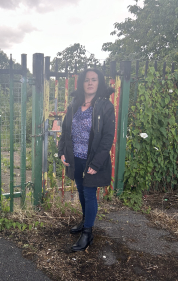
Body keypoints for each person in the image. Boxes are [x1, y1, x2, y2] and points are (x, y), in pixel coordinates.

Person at [58, 68, 115, 252]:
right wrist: (62, 152)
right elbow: (65, 131)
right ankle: (85, 221)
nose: (90, 83)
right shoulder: (74, 104)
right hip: (76, 158)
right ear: (82, 83)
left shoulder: (105, 106)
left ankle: (87, 233)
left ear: (99, 83)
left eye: (94, 79)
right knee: (82, 192)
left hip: (92, 160)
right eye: (87, 79)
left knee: (90, 195)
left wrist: (96, 163)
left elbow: (107, 138)